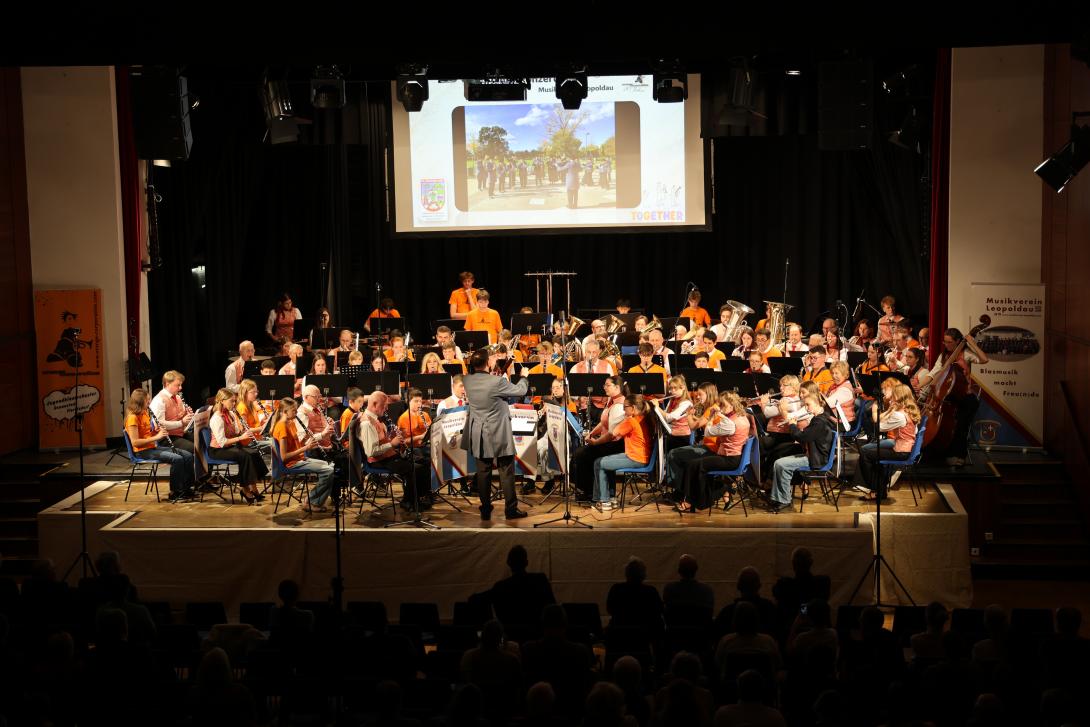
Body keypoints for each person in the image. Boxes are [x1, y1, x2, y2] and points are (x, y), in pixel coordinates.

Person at [462, 348, 530, 520]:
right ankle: (511, 510)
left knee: (483, 472)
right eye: (491, 358)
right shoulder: (496, 382)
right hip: (498, 431)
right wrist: (524, 377)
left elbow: (487, 386)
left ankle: (485, 509)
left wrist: (495, 375)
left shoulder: (467, 380)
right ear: (487, 363)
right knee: (506, 471)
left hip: (479, 432)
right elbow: (520, 391)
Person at [917, 327, 989, 466]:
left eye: (949, 342)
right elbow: (932, 374)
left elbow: (984, 359)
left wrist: (971, 342)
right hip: (948, 398)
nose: (946, 345)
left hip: (965, 398)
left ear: (957, 341)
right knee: (946, 425)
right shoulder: (943, 356)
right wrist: (918, 386)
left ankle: (959, 455)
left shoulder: (966, 354)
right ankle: (939, 452)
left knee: (960, 425)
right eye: (945, 342)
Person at [676, 391, 750, 512]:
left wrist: (711, 417)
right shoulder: (741, 416)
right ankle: (695, 499)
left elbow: (708, 432)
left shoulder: (729, 423)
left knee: (693, 465)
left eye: (722, 405)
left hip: (729, 459)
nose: (720, 407)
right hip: (733, 457)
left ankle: (693, 500)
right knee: (695, 464)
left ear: (731, 406)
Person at [358, 390, 430, 511]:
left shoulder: (375, 418)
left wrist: (392, 437)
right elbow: (371, 451)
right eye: (384, 406)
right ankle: (409, 501)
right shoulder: (366, 423)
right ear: (375, 404)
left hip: (387, 456)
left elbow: (381, 440)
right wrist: (392, 443)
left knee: (425, 463)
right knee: (413, 469)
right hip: (377, 460)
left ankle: (419, 497)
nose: (386, 409)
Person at [766, 394, 835, 513]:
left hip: (816, 458)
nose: (807, 408)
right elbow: (808, 435)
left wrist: (792, 425)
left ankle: (784, 500)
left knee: (781, 464)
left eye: (808, 405)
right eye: (805, 405)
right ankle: (779, 498)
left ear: (818, 402)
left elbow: (802, 438)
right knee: (779, 461)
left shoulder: (820, 421)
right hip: (814, 454)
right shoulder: (820, 418)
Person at [125, 388, 196, 501]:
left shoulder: (145, 413)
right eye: (147, 400)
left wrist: (156, 431)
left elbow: (148, 434)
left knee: (187, 455)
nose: (149, 402)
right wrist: (157, 437)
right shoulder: (132, 418)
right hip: (142, 452)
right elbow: (135, 442)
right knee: (177, 459)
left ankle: (187, 488)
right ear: (139, 401)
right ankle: (175, 492)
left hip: (152, 448)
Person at [854, 383, 921, 501]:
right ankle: (879, 490)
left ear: (898, 398)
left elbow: (880, 427)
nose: (891, 399)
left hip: (901, 451)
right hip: (905, 448)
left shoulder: (899, 415)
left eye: (893, 396)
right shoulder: (909, 411)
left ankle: (874, 489)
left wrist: (888, 411)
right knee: (873, 454)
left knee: (865, 454)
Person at [271, 398, 334, 513]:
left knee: (331, 466)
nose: (296, 413)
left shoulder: (290, 423)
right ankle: (312, 501)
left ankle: (314, 500)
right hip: (291, 464)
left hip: (299, 459)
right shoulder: (282, 427)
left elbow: (297, 444)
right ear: (285, 412)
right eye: (294, 411)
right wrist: (306, 448)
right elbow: (284, 457)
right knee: (328, 470)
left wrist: (312, 443)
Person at [592, 394, 653, 511]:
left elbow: (613, 432)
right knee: (606, 461)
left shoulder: (631, 421)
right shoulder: (644, 417)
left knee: (598, 463)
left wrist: (624, 419)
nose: (623, 410)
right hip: (640, 457)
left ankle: (603, 501)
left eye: (625, 407)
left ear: (633, 408)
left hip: (635, 458)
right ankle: (611, 498)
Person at [571, 376, 626, 501]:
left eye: (608, 385)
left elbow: (612, 434)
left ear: (617, 387)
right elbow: (603, 422)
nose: (604, 387)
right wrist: (591, 434)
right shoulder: (611, 400)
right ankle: (586, 489)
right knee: (579, 453)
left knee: (582, 454)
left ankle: (589, 491)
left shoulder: (619, 405)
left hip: (615, 444)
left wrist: (595, 442)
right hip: (607, 441)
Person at [208, 388, 268, 503]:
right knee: (244, 456)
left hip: (229, 446)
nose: (234, 404)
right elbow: (222, 442)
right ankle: (245, 489)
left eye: (235, 401)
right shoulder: (216, 418)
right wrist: (241, 437)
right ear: (222, 401)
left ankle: (253, 488)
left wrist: (242, 431)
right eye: (231, 401)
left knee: (253, 452)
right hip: (217, 450)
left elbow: (235, 432)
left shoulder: (230, 414)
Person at [489, 545, 556, 628]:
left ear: (508, 563)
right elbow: (552, 606)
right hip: (537, 631)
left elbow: (477, 599)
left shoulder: (500, 587)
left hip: (512, 633)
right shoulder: (540, 580)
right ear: (526, 562)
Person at [149, 370, 196, 454]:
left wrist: (187, 415)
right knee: (194, 448)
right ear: (167, 384)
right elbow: (159, 424)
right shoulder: (159, 400)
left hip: (180, 433)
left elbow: (180, 418)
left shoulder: (177, 397)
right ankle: (189, 467)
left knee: (203, 442)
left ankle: (203, 467)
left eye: (181, 385)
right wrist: (181, 422)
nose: (181, 387)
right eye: (178, 385)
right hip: (165, 438)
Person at [663, 554, 715, 625]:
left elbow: (667, 614)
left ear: (679, 570)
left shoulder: (669, 589)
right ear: (696, 569)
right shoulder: (706, 590)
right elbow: (709, 615)